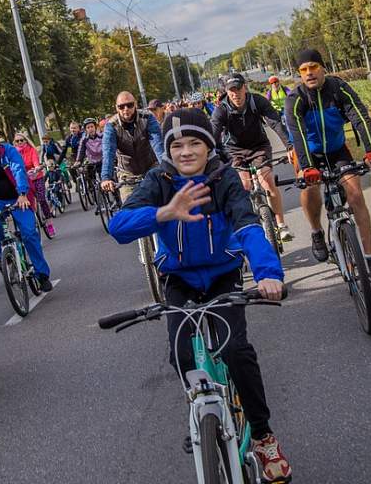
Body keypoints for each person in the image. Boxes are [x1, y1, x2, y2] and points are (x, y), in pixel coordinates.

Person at [107, 109, 291, 482]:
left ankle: (263, 435)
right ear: (169, 150)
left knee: (235, 350)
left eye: (194, 143)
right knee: (180, 352)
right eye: (177, 144)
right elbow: (119, 227)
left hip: (223, 276)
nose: (185, 151)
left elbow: (249, 227)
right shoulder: (159, 179)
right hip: (179, 280)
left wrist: (269, 275)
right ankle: (200, 409)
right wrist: (163, 212)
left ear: (209, 146)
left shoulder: (224, 180)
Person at [285, 48, 371, 281]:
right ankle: (317, 232)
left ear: (323, 68)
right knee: (310, 188)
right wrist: (308, 167)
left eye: (313, 67)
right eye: (303, 70)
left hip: (337, 149)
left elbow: (359, 117)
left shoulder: (338, 88)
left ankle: (369, 258)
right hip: (309, 153)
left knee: (356, 195)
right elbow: (297, 134)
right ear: (299, 74)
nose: (309, 73)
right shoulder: (295, 99)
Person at [0, 124, 52, 292]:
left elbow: (18, 170)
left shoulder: (10, 152)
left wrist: (22, 193)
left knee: (29, 233)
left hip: (19, 197)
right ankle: (4, 254)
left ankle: (42, 274)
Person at [211, 73, 294, 242]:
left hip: (259, 147)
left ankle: (281, 225)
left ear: (245, 87)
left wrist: (289, 146)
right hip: (234, 151)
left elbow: (275, 123)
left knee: (268, 181)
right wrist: (210, 157)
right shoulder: (222, 109)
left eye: (238, 89)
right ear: (227, 92)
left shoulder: (257, 101)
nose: (236, 94)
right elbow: (213, 133)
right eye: (231, 90)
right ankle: (250, 225)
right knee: (244, 185)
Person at [101, 91, 166, 202]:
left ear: (135, 104)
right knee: (130, 209)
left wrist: (166, 166)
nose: (126, 109)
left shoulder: (147, 117)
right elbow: (108, 152)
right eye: (121, 106)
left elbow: (158, 144)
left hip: (151, 166)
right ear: (117, 108)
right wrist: (106, 177)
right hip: (128, 174)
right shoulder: (111, 126)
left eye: (129, 105)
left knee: (165, 198)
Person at [14, 133, 55, 238]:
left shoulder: (31, 150)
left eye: (21, 140)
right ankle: (32, 223)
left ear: (26, 141)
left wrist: (36, 167)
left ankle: (49, 224)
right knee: (27, 203)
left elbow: (35, 161)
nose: (19, 142)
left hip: (36, 177)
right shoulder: (14, 153)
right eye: (17, 141)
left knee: (41, 199)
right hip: (25, 180)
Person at [74, 118, 104, 191]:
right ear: (85, 130)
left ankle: (116, 198)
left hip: (103, 159)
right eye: (88, 127)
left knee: (106, 179)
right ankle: (91, 186)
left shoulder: (102, 136)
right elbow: (81, 151)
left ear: (95, 127)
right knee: (88, 172)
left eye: (92, 126)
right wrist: (78, 161)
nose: (90, 129)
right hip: (92, 161)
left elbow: (108, 146)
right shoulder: (84, 140)